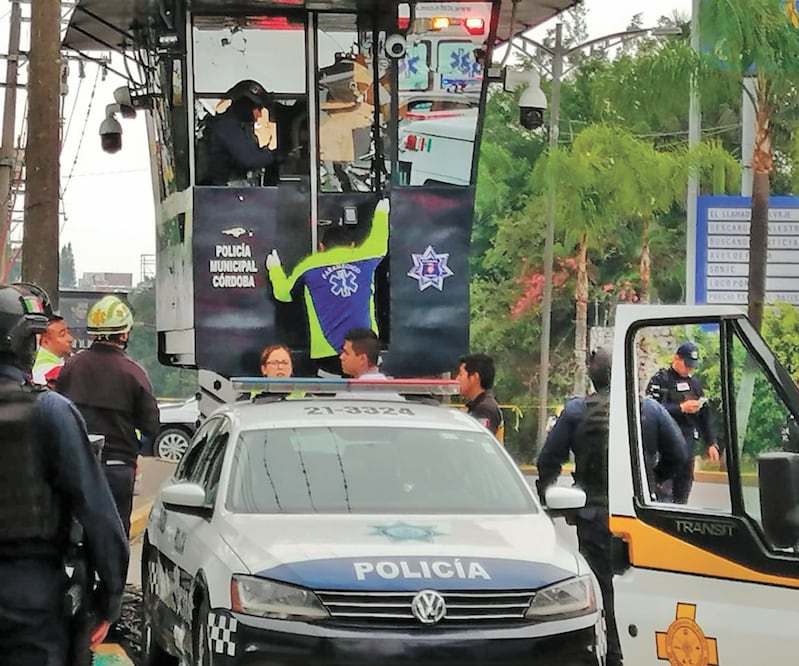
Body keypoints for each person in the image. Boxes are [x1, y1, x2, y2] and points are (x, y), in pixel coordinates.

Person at [0, 283, 128, 664]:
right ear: (22, 342)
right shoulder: (50, 412)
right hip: (30, 596)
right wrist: (110, 597)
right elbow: (97, 511)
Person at [535, 348, 622, 666]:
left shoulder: (575, 411)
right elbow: (679, 457)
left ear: (591, 375)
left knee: (600, 589)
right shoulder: (646, 408)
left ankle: (612, 655)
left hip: (594, 514)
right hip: (640, 516)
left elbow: (548, 461)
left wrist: (549, 501)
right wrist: (664, 498)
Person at [56, 294, 160, 537]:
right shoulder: (134, 373)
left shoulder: (71, 367)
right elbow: (151, 426)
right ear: (124, 334)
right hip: (117, 469)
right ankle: (112, 575)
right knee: (115, 536)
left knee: (69, 532)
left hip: (76, 466)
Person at [265, 198, 389, 368]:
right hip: (363, 351)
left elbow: (282, 294)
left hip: (326, 352)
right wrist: (382, 213)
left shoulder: (309, 265)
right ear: (352, 245)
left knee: (329, 392)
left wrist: (274, 268)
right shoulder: (365, 256)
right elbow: (380, 240)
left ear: (321, 247)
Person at [646, 341, 720, 504]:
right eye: (687, 365)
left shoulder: (694, 384)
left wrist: (711, 442)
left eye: (692, 366)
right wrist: (680, 408)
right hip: (666, 446)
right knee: (663, 494)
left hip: (687, 446)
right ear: (676, 358)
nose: (689, 370)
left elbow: (704, 416)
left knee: (682, 494)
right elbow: (651, 410)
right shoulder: (661, 380)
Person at [206, 79, 279, 186]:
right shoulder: (227, 126)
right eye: (257, 109)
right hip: (225, 192)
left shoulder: (239, 125)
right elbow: (250, 159)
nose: (260, 115)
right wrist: (273, 153)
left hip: (236, 191)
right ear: (246, 107)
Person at [456, 352, 504, 438]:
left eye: (460, 374)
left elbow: (478, 441)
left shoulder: (486, 409)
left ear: (475, 377)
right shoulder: (476, 405)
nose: (457, 379)